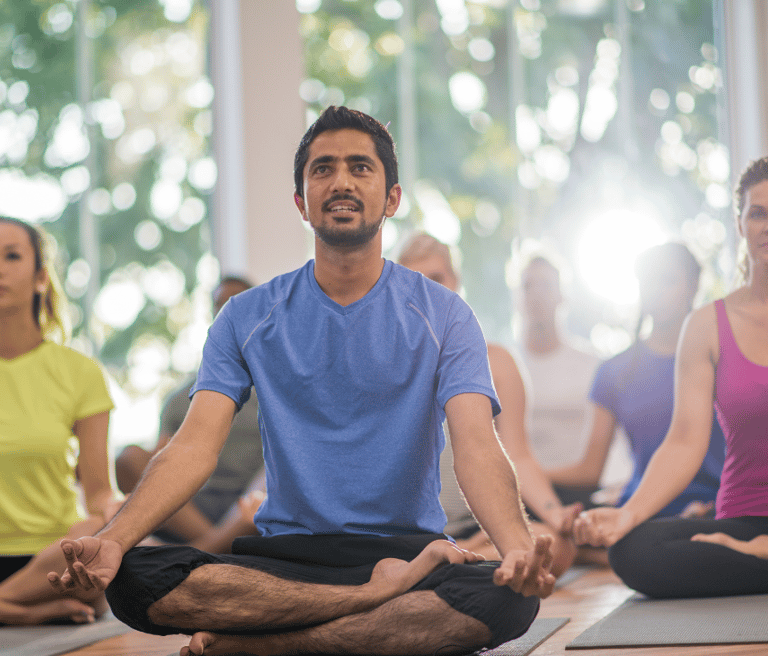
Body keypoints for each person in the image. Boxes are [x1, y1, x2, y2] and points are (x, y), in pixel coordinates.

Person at [50, 106, 556, 656]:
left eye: (361, 167)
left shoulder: (446, 315)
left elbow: (479, 447)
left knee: (508, 599)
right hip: (285, 557)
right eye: (323, 169)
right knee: (133, 578)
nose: (341, 180)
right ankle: (371, 603)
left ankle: (263, 647)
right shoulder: (245, 316)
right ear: (302, 201)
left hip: (406, 548)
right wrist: (114, 540)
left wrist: (517, 553)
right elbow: (192, 447)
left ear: (391, 199)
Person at [574, 157, 768, 598]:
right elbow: (684, 441)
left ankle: (759, 556)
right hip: (741, 519)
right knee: (634, 550)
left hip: (743, 546)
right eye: (758, 212)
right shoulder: (705, 325)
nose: (766, 225)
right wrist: (629, 514)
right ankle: (757, 552)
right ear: (740, 223)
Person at [398, 233, 578, 576]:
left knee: (551, 544)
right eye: (415, 282)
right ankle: (445, 560)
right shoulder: (385, 364)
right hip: (409, 531)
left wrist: (553, 511)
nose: (428, 292)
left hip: (475, 530)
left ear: (457, 282)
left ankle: (454, 558)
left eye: (437, 279)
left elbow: (518, 454)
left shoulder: (496, 361)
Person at [0, 216, 121, 624]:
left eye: (11, 256)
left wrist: (113, 518)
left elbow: (100, 491)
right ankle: (22, 613)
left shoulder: (80, 373)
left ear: (39, 278)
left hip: (52, 559)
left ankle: (7, 604)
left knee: (100, 540)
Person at [549, 242, 725, 518]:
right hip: (641, 511)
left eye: (667, 280)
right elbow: (590, 470)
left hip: (715, 507)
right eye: (649, 281)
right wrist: (522, 474)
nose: (656, 290)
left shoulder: (722, 359)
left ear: (693, 286)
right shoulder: (614, 370)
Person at [115, 275, 263, 551]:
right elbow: (166, 461)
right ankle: (212, 547)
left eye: (238, 304)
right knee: (129, 458)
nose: (227, 312)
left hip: (247, 505)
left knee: (270, 485)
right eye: (220, 305)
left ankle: (200, 552)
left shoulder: (275, 390)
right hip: (189, 505)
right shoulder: (181, 398)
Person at [517, 256, 612, 508]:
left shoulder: (592, 367)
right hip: (517, 494)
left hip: (578, 494)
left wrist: (529, 477)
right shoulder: (503, 368)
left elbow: (593, 470)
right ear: (517, 298)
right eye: (527, 286)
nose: (536, 294)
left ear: (562, 295)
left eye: (546, 285)